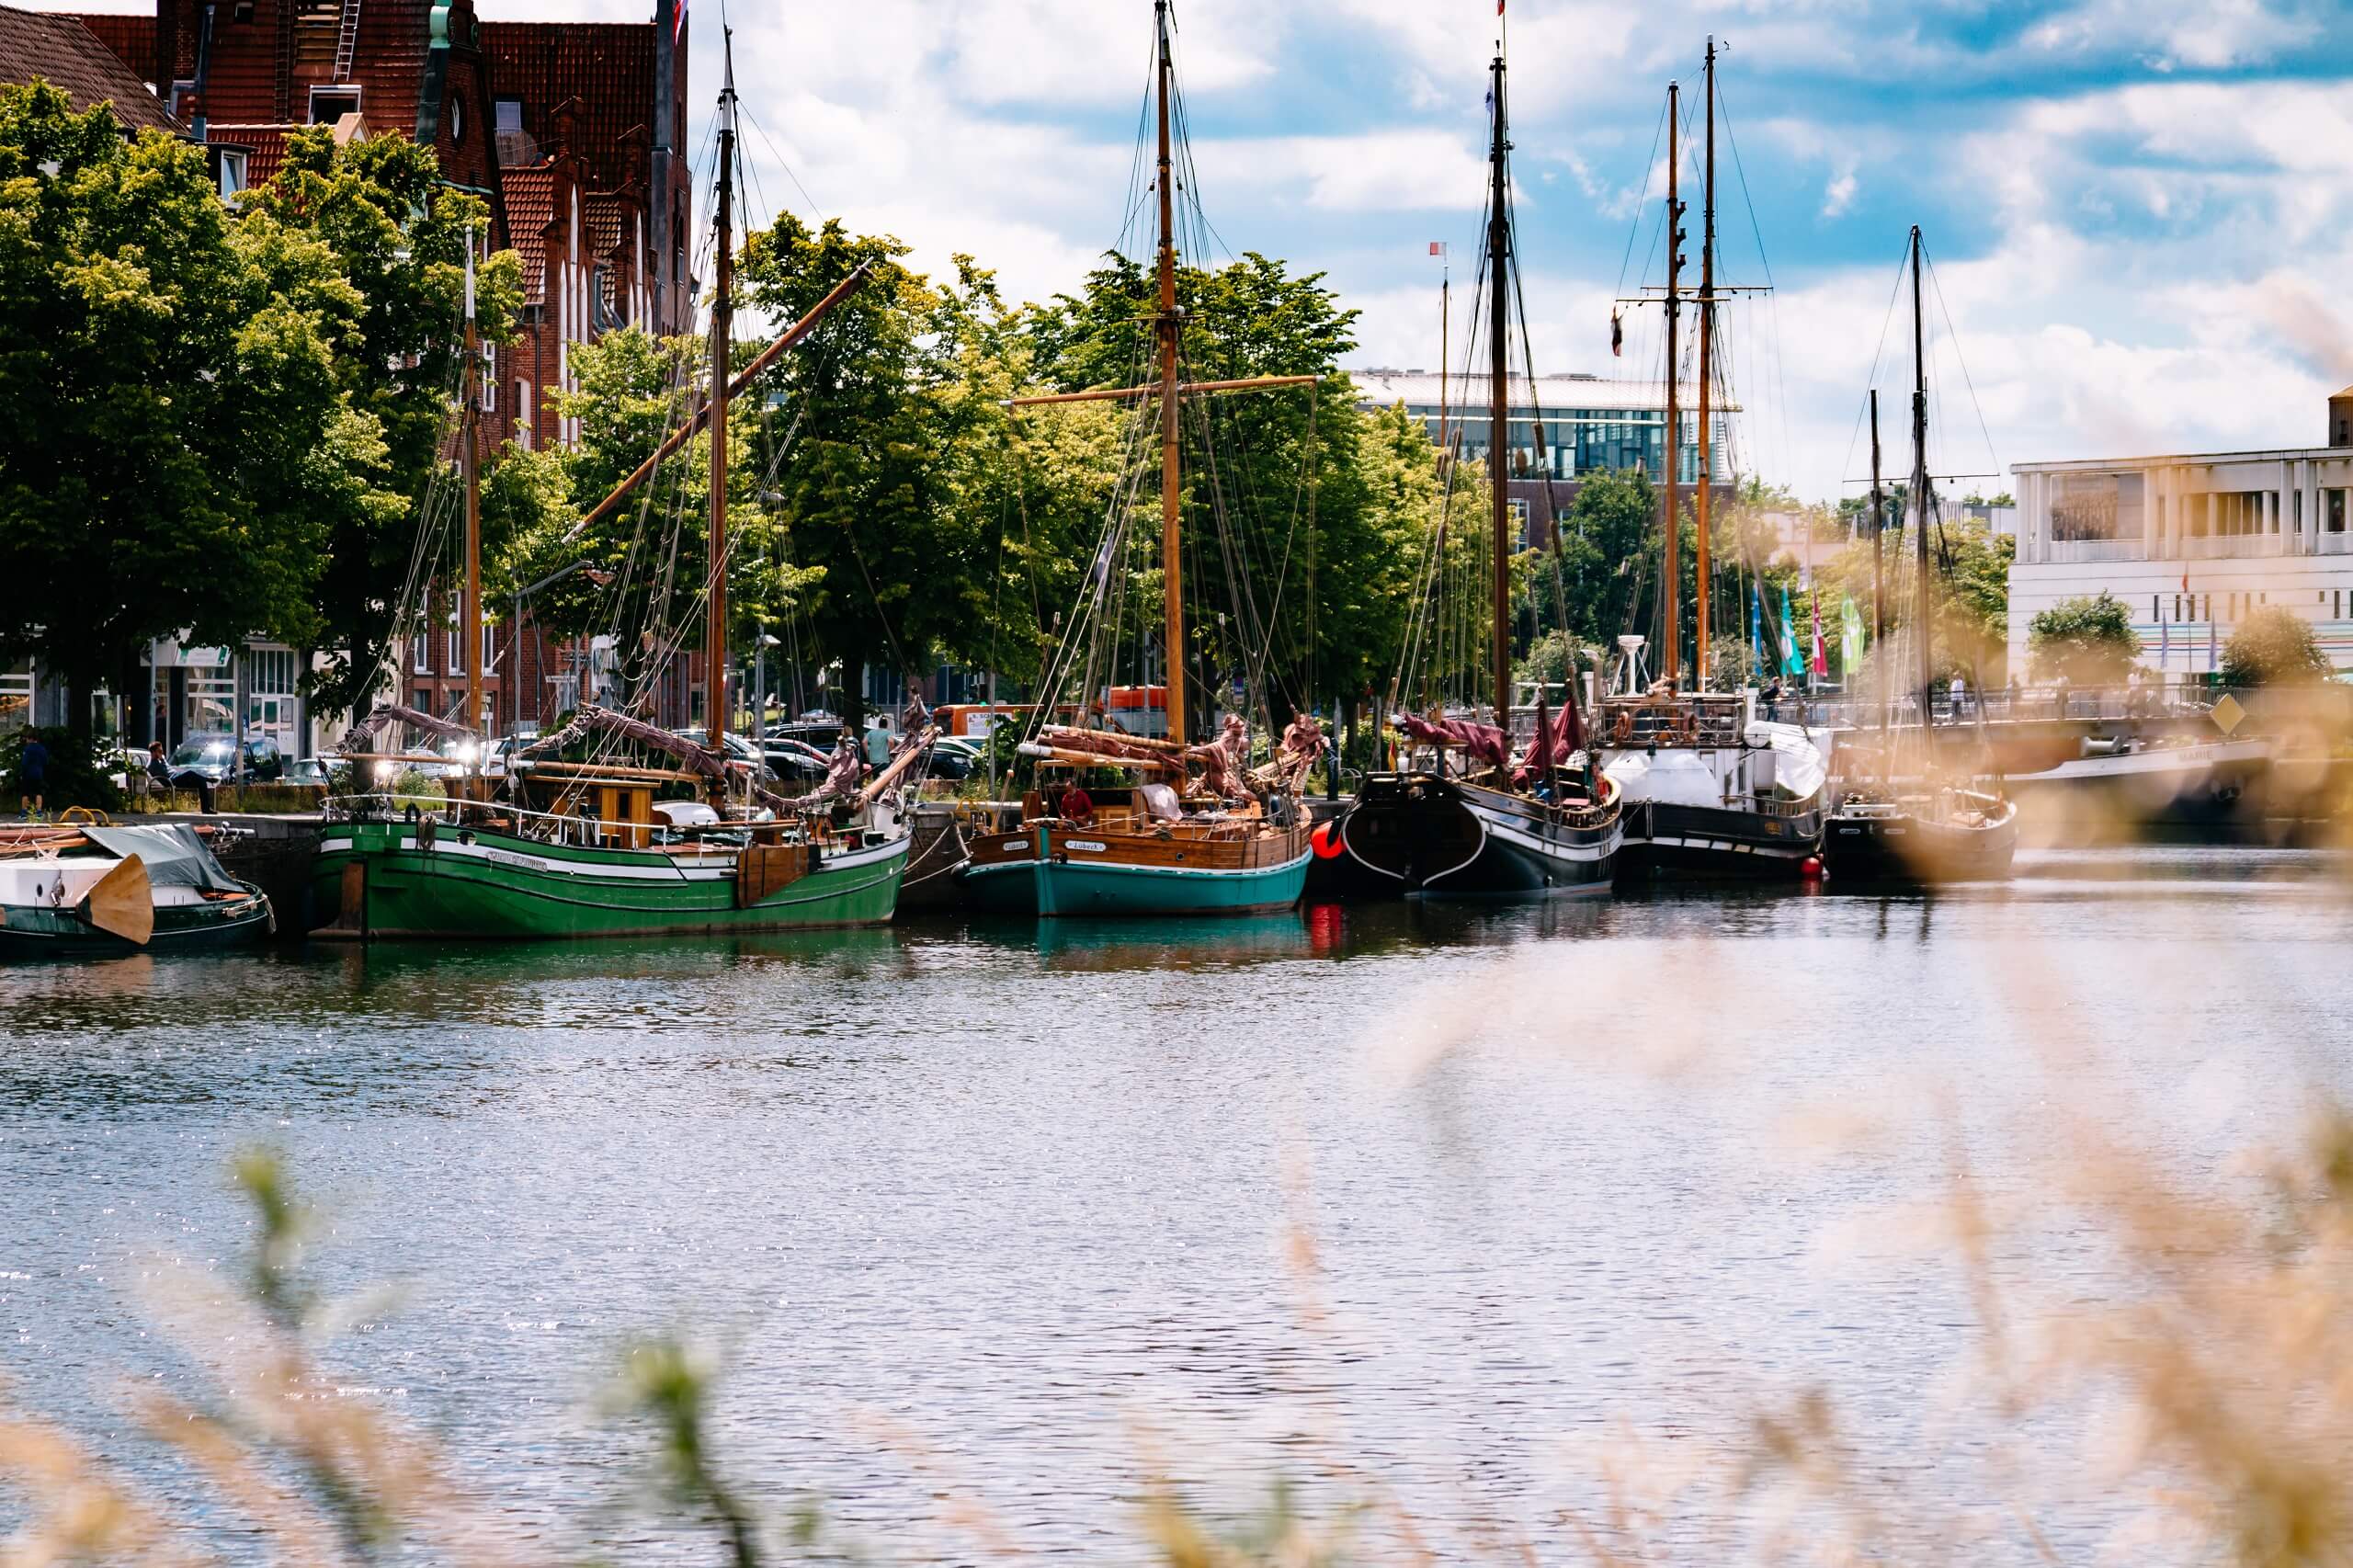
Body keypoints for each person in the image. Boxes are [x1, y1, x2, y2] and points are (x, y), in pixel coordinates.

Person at [17, 733, 47, 820]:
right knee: (38, 792)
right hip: (38, 773)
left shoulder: (28, 749)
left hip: (28, 774)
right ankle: (38, 813)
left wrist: (22, 774)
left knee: (25, 792)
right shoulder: (42, 748)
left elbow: (24, 763)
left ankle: (24, 813)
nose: (26, 741)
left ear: (30, 739)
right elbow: (45, 761)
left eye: (27, 739)